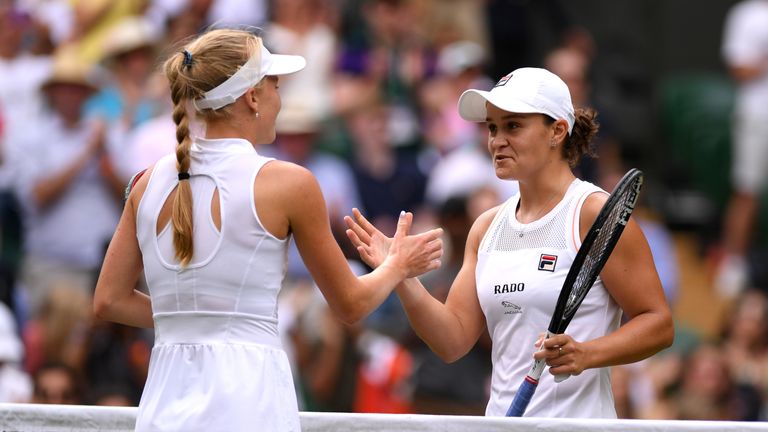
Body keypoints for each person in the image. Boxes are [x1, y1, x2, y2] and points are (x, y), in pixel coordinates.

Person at [92, 28, 443, 431]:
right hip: (249, 403)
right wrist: (397, 264)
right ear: (253, 97)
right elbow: (351, 304)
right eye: (274, 84)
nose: (280, 97)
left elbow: (108, 301)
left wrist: (195, 319)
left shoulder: (144, 182)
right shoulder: (289, 183)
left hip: (163, 405)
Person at [345, 67, 674, 418]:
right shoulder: (485, 227)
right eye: (492, 127)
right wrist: (400, 275)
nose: (496, 140)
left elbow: (658, 323)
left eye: (513, 126)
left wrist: (587, 353)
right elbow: (451, 340)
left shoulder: (592, 213)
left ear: (557, 131)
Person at [715, 0, 768, 299]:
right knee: (747, 190)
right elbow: (739, 67)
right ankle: (732, 266)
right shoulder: (747, 14)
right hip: (758, 116)